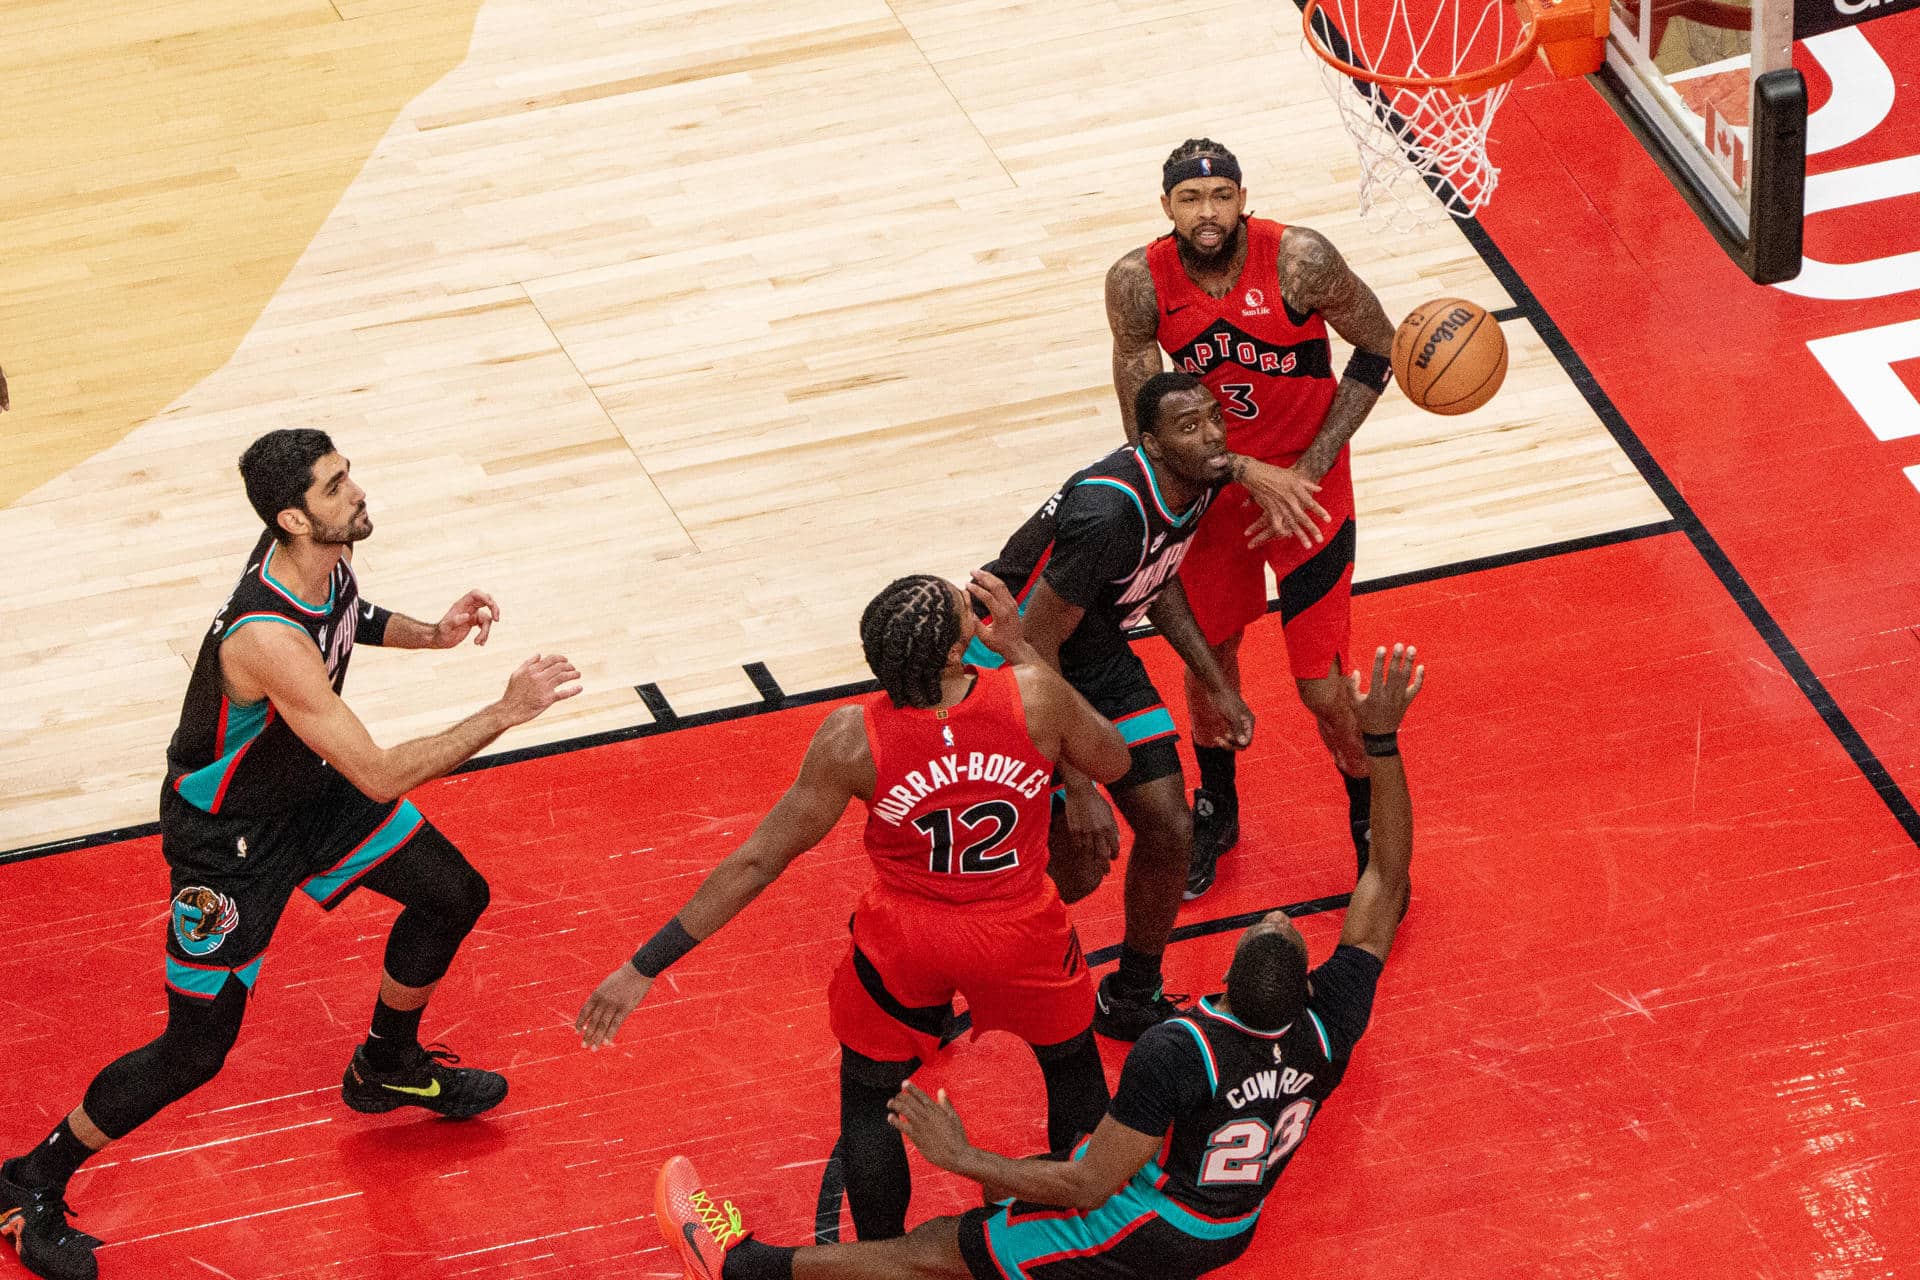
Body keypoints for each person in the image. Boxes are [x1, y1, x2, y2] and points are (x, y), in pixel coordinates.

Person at [0, 429, 580, 1280]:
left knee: (453, 893)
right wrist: (504, 710)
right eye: (336, 485)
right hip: (229, 843)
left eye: (347, 474)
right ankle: (27, 1181)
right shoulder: (262, 634)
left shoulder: (326, 556)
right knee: (195, 1050)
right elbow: (379, 772)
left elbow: (353, 619)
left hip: (307, 791)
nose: (356, 491)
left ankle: (386, 1063)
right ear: (291, 517)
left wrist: (436, 635)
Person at [654, 643, 1426, 1280]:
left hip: (1148, 1225)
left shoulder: (1179, 1048)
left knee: (936, 1249)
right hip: (1230, 1220)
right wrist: (1383, 742)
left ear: (1223, 989)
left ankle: (736, 1266)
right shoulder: (1331, 1025)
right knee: (1051, 1114)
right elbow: (1386, 881)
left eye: (1271, 924)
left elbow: (1090, 1185)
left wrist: (962, 1155)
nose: (1277, 911)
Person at [576, 571, 1134, 1242]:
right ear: (961, 649)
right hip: (1019, 928)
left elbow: (758, 860)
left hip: (907, 939)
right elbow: (1113, 758)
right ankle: (1088, 1234)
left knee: (873, 1098)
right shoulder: (1035, 696)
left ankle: (882, 1258)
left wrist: (644, 965)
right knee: (1070, 1064)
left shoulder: (851, 738)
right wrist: (1020, 650)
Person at [966, 370, 1318, 1041]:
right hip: (1012, 664)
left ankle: (1133, 994)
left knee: (1169, 827)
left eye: (1215, 416)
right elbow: (1032, 645)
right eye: (1190, 426)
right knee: (1072, 869)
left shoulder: (1192, 482)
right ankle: (944, 939)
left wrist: (1214, 680)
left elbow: (1158, 577)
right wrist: (1079, 778)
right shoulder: (1110, 513)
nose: (1213, 433)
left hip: (1089, 652)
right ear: (1151, 444)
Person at [1106, 138, 1398, 899]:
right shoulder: (1138, 284)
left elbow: (1379, 349)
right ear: (1166, 206)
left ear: (1244, 199)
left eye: (1222, 197)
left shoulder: (1301, 260)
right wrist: (1237, 471)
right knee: (1211, 666)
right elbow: (1145, 425)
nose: (1209, 213)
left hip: (1307, 491)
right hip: (1211, 497)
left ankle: (1368, 822)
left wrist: (1305, 467)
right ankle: (1219, 807)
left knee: (1323, 691)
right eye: (1191, 200)